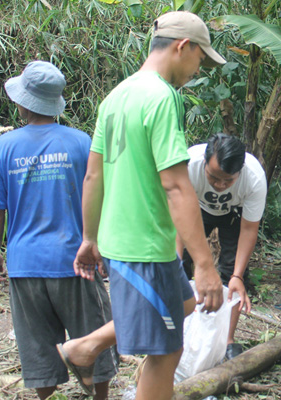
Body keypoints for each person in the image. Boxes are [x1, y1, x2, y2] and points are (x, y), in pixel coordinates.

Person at [56, 11, 226, 400]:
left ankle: (86, 347)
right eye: (201, 59)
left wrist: (89, 236)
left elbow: (93, 176)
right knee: (165, 352)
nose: (198, 70)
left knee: (182, 306)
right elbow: (177, 187)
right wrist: (204, 265)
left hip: (127, 241)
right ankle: (88, 351)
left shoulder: (116, 96)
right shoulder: (163, 98)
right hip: (144, 246)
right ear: (183, 47)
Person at [0, 61, 117, 399]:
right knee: (94, 335)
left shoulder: (4, 147)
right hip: (75, 259)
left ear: (23, 103)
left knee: (38, 346)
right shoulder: (79, 142)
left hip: (25, 262)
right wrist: (100, 244)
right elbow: (97, 196)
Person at [179, 133, 267, 360]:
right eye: (214, 177)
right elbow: (176, 218)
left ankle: (227, 341)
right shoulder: (188, 165)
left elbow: (249, 229)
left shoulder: (254, 178)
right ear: (205, 164)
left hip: (234, 214)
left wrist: (237, 275)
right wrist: (175, 263)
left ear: (240, 171)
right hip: (195, 209)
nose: (220, 185)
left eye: (228, 180)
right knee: (181, 268)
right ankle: (180, 331)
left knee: (233, 274)